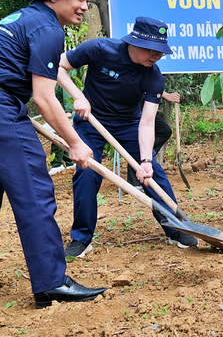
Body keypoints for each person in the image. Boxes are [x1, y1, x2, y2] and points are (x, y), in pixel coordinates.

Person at [0, 0, 106, 308]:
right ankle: (51, 282)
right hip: (3, 111)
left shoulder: (20, 20)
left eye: (88, 1)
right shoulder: (47, 29)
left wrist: (76, 95)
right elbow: (44, 98)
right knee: (35, 191)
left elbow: (45, 77)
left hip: (5, 103)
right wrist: (76, 142)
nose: (84, 7)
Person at [59, 16, 199, 259]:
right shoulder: (100, 49)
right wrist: (77, 96)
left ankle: (176, 228)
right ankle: (81, 238)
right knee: (87, 172)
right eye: (152, 50)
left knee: (153, 171)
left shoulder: (153, 76)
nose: (157, 56)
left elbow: (146, 123)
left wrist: (144, 161)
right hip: (91, 120)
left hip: (129, 124)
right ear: (135, 42)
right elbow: (58, 66)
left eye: (161, 51)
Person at [126, 91, 178, 192]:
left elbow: (153, 82)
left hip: (144, 101)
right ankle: (134, 181)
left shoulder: (154, 79)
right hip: (133, 102)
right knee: (136, 140)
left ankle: (144, 157)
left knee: (165, 131)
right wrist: (166, 95)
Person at [48, 85, 77, 175]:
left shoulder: (59, 82)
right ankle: (70, 162)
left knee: (57, 139)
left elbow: (67, 97)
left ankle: (56, 164)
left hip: (62, 116)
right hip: (54, 115)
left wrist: (68, 111)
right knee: (63, 138)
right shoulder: (50, 83)